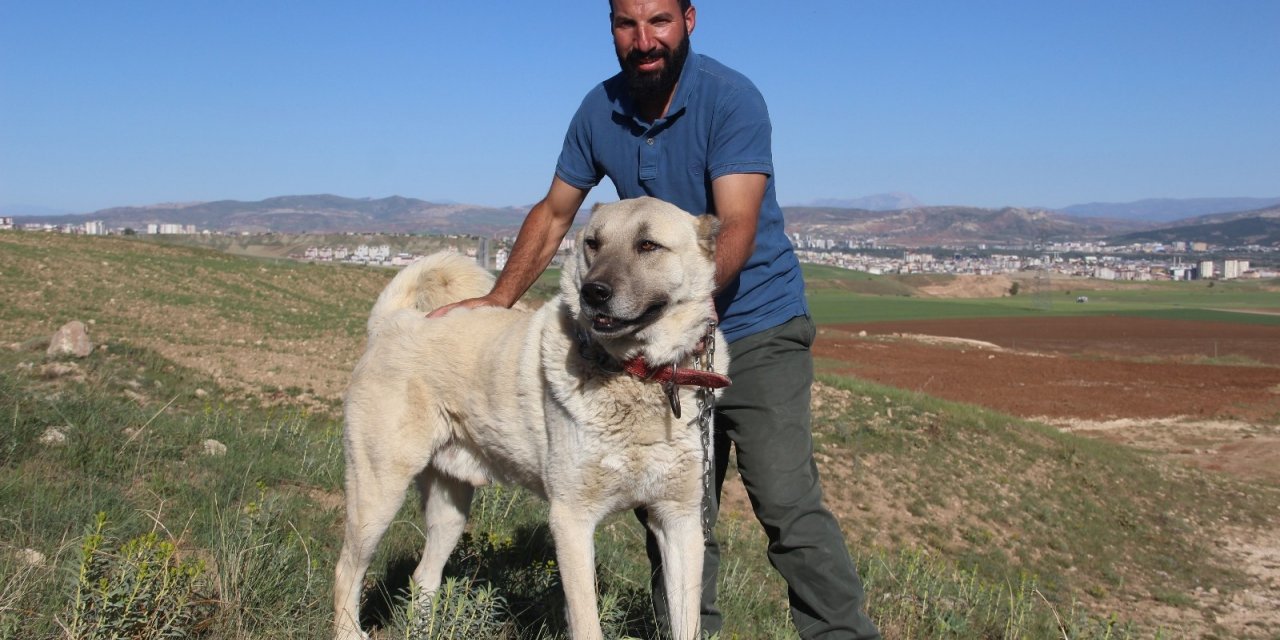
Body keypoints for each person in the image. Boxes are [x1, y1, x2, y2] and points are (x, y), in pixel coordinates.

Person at [433, 1, 880, 637]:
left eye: (660, 21)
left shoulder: (731, 100)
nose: (644, 40)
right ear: (611, 27)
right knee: (675, 509)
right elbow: (556, 212)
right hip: (652, 336)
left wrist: (688, 321)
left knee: (785, 501)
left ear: (689, 20)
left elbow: (737, 224)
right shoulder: (599, 109)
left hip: (752, 327)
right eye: (627, 24)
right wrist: (498, 298)